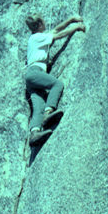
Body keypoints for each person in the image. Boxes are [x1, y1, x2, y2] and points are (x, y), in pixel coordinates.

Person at [25, 14, 85, 145]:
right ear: (39, 24)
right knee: (57, 84)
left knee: (38, 106)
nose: (46, 22)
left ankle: (34, 134)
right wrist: (76, 27)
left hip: (31, 76)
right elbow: (58, 35)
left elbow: (55, 30)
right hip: (35, 71)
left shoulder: (35, 38)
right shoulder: (38, 38)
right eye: (43, 21)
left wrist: (71, 19)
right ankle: (48, 113)